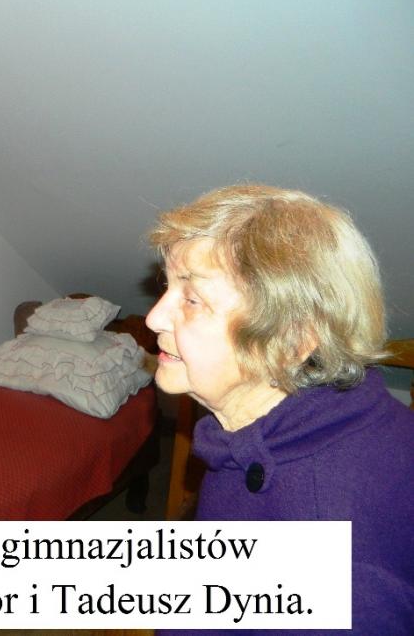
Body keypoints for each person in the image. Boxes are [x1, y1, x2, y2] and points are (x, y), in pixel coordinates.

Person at [146, 184, 414, 634]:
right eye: (168, 287)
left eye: (192, 299)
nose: (153, 317)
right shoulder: (293, 418)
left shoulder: (338, 570)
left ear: (292, 342)